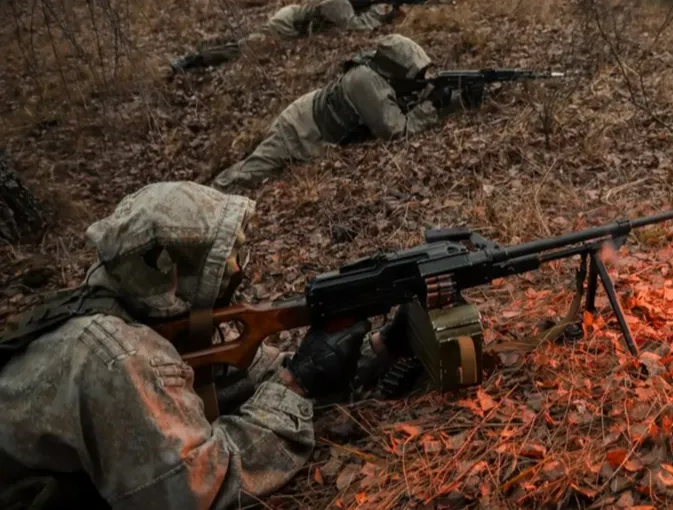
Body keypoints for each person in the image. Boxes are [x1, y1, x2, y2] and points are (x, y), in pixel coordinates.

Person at [0, 181, 409, 509]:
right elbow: (198, 490)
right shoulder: (119, 357)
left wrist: (379, 346)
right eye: (221, 261)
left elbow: (252, 376)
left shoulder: (139, 306)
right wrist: (296, 385)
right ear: (167, 272)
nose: (236, 269)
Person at [212, 34, 481, 190]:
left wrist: (457, 99)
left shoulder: (384, 74)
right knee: (249, 175)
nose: (420, 78)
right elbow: (396, 129)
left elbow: (415, 97)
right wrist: (435, 105)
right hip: (298, 129)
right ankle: (206, 193)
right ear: (394, 69)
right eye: (415, 73)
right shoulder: (365, 81)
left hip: (316, 131)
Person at [169, 0, 403, 73]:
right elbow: (354, 26)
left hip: (292, 21)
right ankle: (192, 61)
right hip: (287, 24)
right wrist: (381, 16)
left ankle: (202, 52)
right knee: (244, 47)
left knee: (243, 42)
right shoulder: (338, 1)